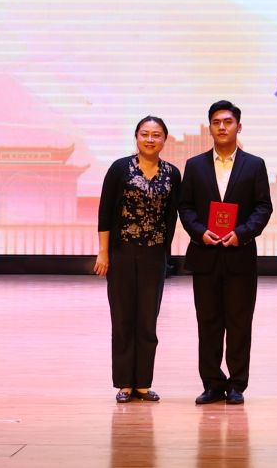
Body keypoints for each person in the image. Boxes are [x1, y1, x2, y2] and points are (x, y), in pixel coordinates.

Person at [177, 99, 274, 406]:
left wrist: (241, 233)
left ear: (238, 127)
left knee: (239, 323)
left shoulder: (254, 165)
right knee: (208, 323)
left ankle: (236, 385)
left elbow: (263, 207)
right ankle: (212, 383)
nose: (222, 127)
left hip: (239, 255)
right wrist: (199, 231)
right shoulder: (195, 165)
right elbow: (185, 207)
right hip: (205, 255)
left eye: (228, 122)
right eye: (216, 122)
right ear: (210, 127)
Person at [95, 115, 181, 403]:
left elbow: (172, 216)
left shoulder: (172, 174)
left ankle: (143, 383)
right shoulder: (120, 168)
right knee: (122, 319)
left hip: (154, 256)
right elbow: (105, 211)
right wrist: (104, 252)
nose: (150, 139)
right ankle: (124, 383)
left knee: (147, 320)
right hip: (121, 254)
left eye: (156, 135)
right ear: (136, 137)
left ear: (164, 140)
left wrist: (166, 254)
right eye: (145, 134)